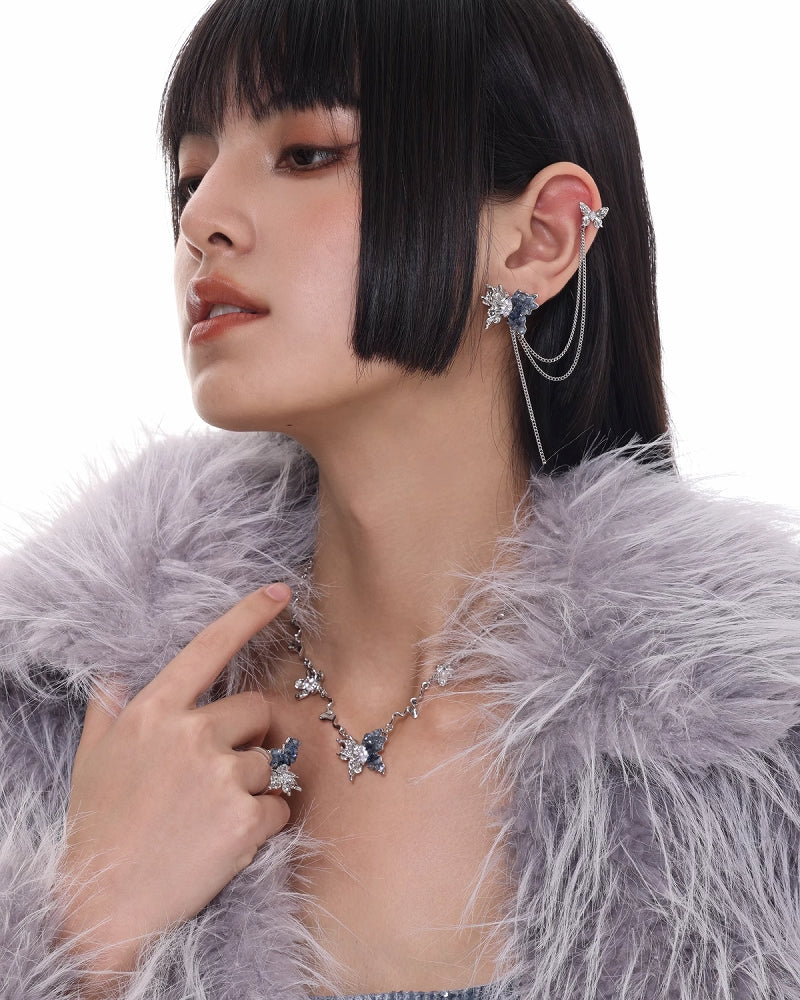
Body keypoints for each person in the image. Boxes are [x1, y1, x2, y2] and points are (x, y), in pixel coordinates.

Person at [1, 1, 799, 998]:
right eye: (190, 177)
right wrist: (89, 924)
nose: (202, 221)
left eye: (306, 154)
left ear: (539, 238)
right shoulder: (65, 718)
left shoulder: (756, 755)